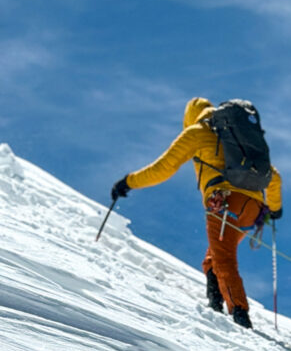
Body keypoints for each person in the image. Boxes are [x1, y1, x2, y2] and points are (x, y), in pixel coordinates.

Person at [111, 97, 282, 329]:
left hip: (224, 203)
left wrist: (128, 182)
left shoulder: (198, 132)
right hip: (252, 210)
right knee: (215, 256)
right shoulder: (238, 135)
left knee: (224, 259)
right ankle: (215, 303)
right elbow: (274, 177)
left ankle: (240, 316)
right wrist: (274, 208)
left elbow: (162, 168)